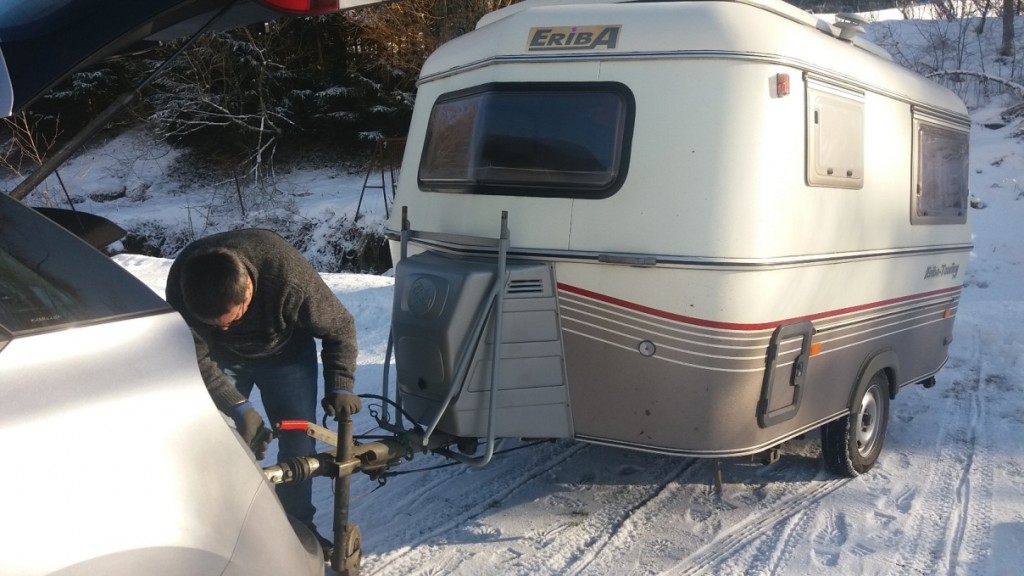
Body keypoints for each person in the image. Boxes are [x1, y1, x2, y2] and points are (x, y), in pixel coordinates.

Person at [164, 228, 361, 549]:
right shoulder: (184, 283)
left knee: (298, 444)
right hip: (220, 358)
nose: (225, 328)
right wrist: (238, 407)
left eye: (231, 320)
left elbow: (339, 325)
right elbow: (194, 354)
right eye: (215, 325)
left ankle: (298, 529)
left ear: (248, 291)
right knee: (214, 440)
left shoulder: (285, 277)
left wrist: (340, 384)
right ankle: (224, 534)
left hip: (287, 355)